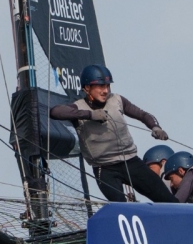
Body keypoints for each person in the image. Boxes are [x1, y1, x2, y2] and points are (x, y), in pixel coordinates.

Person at [49, 65, 177, 203]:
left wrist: (155, 127)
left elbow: (143, 115)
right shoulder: (78, 107)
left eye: (107, 86)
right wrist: (90, 115)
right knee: (120, 207)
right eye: (100, 86)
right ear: (86, 88)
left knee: (168, 200)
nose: (105, 91)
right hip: (104, 169)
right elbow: (55, 112)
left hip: (131, 162)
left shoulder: (117, 100)